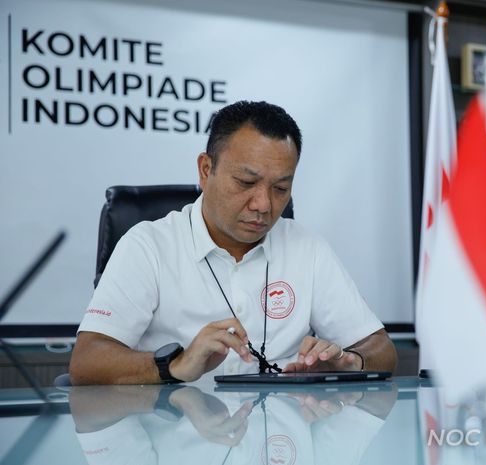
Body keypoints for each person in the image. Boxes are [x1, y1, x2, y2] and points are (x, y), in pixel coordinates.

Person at [70, 100, 397, 385]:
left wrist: (350, 361)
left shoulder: (306, 247)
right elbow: (86, 363)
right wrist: (175, 365)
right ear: (205, 169)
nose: (264, 205)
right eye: (246, 182)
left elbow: (380, 349)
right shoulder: (148, 246)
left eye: (281, 188)